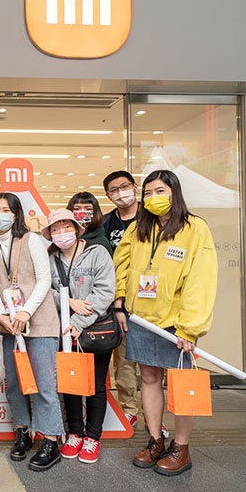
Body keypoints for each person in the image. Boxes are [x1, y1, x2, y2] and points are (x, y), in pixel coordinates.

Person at [114, 169, 217, 475]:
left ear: (174, 193)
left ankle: (181, 447)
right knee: (148, 378)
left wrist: (190, 327)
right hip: (141, 319)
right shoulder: (139, 228)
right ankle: (155, 440)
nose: (153, 198)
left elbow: (201, 280)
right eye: (147, 193)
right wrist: (120, 300)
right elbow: (122, 263)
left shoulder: (195, 228)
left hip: (177, 323)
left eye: (160, 191)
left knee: (181, 384)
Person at [0, 192, 64, 472]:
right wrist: (1, 315)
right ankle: (23, 431)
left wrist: (25, 312)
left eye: (6, 210)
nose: (1, 215)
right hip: (9, 326)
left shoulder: (31, 239)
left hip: (39, 322)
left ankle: (50, 440)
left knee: (44, 384)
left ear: (16, 214)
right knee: (15, 382)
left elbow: (44, 280)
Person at [44, 208, 115, 464]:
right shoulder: (49, 258)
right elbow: (44, 290)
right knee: (70, 382)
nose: (61, 233)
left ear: (77, 229)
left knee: (96, 385)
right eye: (55, 229)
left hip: (94, 330)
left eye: (66, 227)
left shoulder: (97, 253)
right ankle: (75, 433)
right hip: (63, 332)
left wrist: (79, 321)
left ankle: (93, 437)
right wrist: (69, 302)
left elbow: (105, 291)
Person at [102, 170, 142, 429]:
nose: (120, 193)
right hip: (117, 302)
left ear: (135, 186)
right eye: (114, 190)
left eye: (124, 186)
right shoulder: (106, 223)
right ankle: (129, 409)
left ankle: (154, 413)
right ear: (108, 195)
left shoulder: (152, 218)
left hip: (149, 300)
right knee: (124, 359)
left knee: (152, 364)